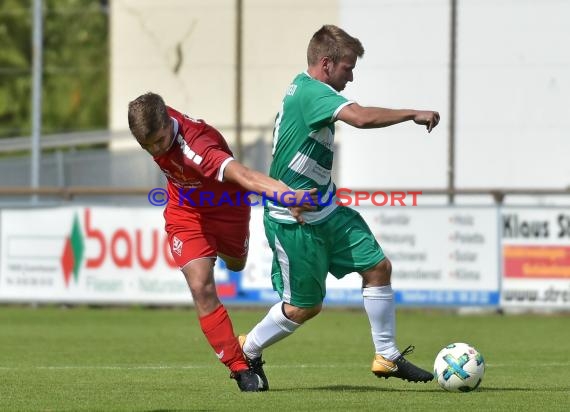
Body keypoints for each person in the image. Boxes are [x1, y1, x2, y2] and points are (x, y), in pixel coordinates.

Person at [239, 25, 440, 389]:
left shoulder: (309, 91)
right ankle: (248, 350)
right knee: (305, 308)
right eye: (348, 67)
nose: (352, 75)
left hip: (326, 210)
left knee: (378, 267)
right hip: (293, 220)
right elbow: (361, 118)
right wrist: (412, 113)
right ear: (327, 64)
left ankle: (387, 355)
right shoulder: (312, 92)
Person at [127, 92, 315, 392]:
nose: (155, 150)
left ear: (169, 124)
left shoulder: (198, 148)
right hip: (185, 211)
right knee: (201, 286)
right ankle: (241, 370)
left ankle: (228, 254)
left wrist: (287, 195)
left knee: (237, 264)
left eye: (159, 142)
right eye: (145, 145)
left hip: (228, 209)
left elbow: (246, 175)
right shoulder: (153, 118)